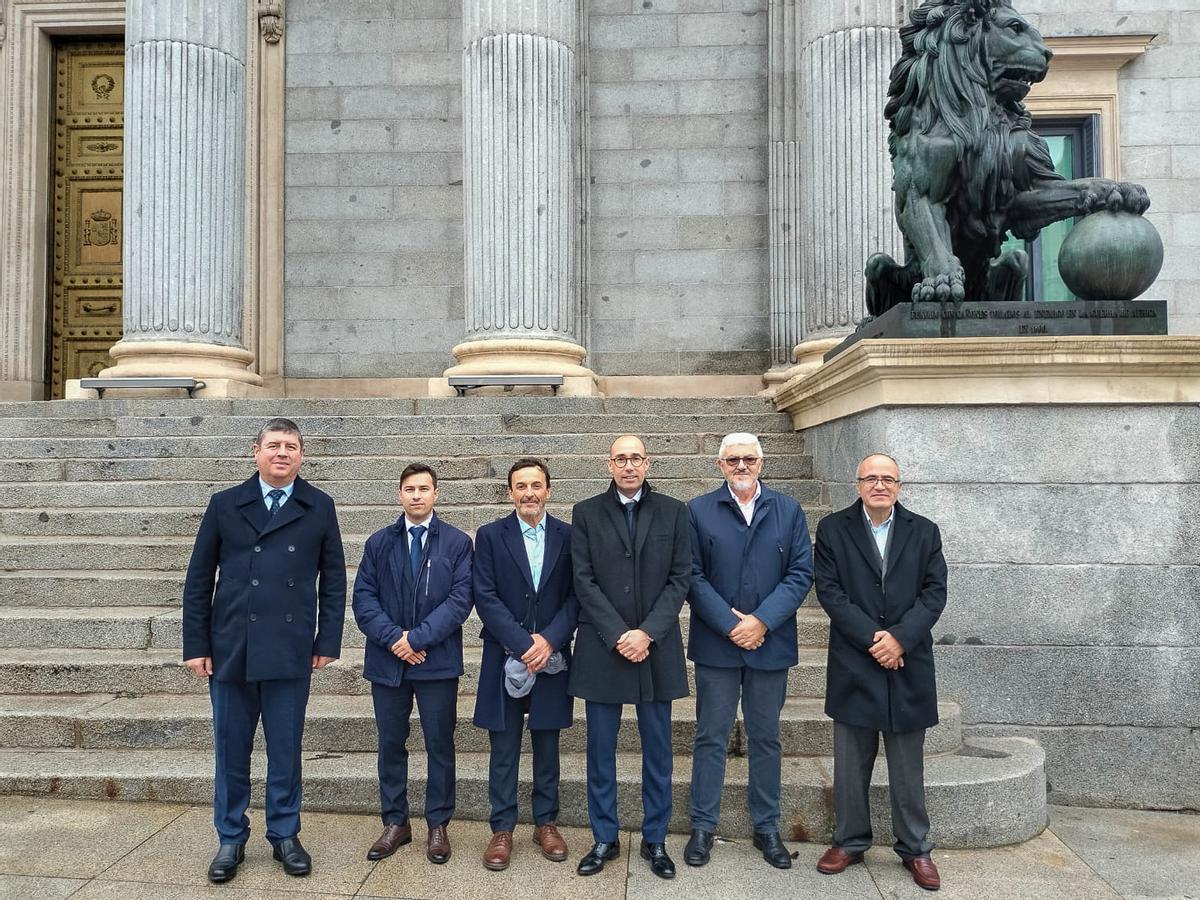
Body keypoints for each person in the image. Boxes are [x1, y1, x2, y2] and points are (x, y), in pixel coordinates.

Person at [182, 417, 346, 883]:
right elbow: (198, 581)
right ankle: (230, 837)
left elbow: (334, 580)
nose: (282, 453)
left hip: (291, 650)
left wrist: (327, 641)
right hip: (231, 648)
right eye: (273, 445)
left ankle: (284, 834)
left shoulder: (319, 506)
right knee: (231, 750)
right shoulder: (225, 504)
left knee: (286, 749)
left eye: (291, 446)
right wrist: (196, 644)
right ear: (255, 451)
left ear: (301, 455)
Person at [813, 453, 947, 892]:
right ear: (857, 485)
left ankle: (915, 848)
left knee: (907, 767)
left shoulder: (924, 531)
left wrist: (899, 639)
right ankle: (849, 842)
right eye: (871, 478)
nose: (879, 485)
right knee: (851, 763)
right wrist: (875, 639)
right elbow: (830, 592)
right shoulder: (833, 529)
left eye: (887, 478)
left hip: (908, 662)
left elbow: (933, 593)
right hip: (856, 660)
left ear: (899, 486)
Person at [683, 432, 813, 869]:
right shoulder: (698, 511)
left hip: (769, 644)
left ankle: (767, 828)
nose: (741, 466)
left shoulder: (788, 510)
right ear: (720, 465)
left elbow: (800, 573)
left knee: (765, 738)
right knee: (710, 737)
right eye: (733, 460)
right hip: (717, 647)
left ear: (761, 463)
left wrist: (761, 621)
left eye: (749, 459)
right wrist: (730, 624)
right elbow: (692, 576)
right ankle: (703, 825)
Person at [568, 435, 691, 880]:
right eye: (620, 458)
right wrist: (621, 634)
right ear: (609, 465)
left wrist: (647, 634)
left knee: (657, 750)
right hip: (605, 647)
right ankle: (605, 836)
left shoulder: (675, 512)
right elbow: (583, 580)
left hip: (655, 649)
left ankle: (655, 838)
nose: (628, 465)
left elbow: (680, 579)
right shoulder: (585, 513)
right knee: (600, 749)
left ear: (648, 463)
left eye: (635, 458)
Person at [352, 463, 473, 865]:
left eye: (424, 489)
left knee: (440, 745)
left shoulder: (456, 543)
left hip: (436, 662)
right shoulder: (379, 543)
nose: (416, 495)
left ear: (436, 494)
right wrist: (395, 640)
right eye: (409, 489)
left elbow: (460, 601)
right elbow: (363, 599)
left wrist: (416, 639)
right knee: (390, 744)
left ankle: (438, 824)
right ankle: (395, 822)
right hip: (389, 664)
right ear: (399, 494)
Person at [472, 458, 579, 871]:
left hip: (553, 654)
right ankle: (502, 828)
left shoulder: (569, 536)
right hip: (505, 653)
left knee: (548, 743)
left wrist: (549, 640)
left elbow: (576, 595)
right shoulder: (491, 536)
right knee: (504, 746)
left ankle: (546, 823)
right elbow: (485, 595)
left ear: (548, 490)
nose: (529, 492)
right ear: (510, 492)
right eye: (521, 486)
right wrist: (522, 644)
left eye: (536, 485)